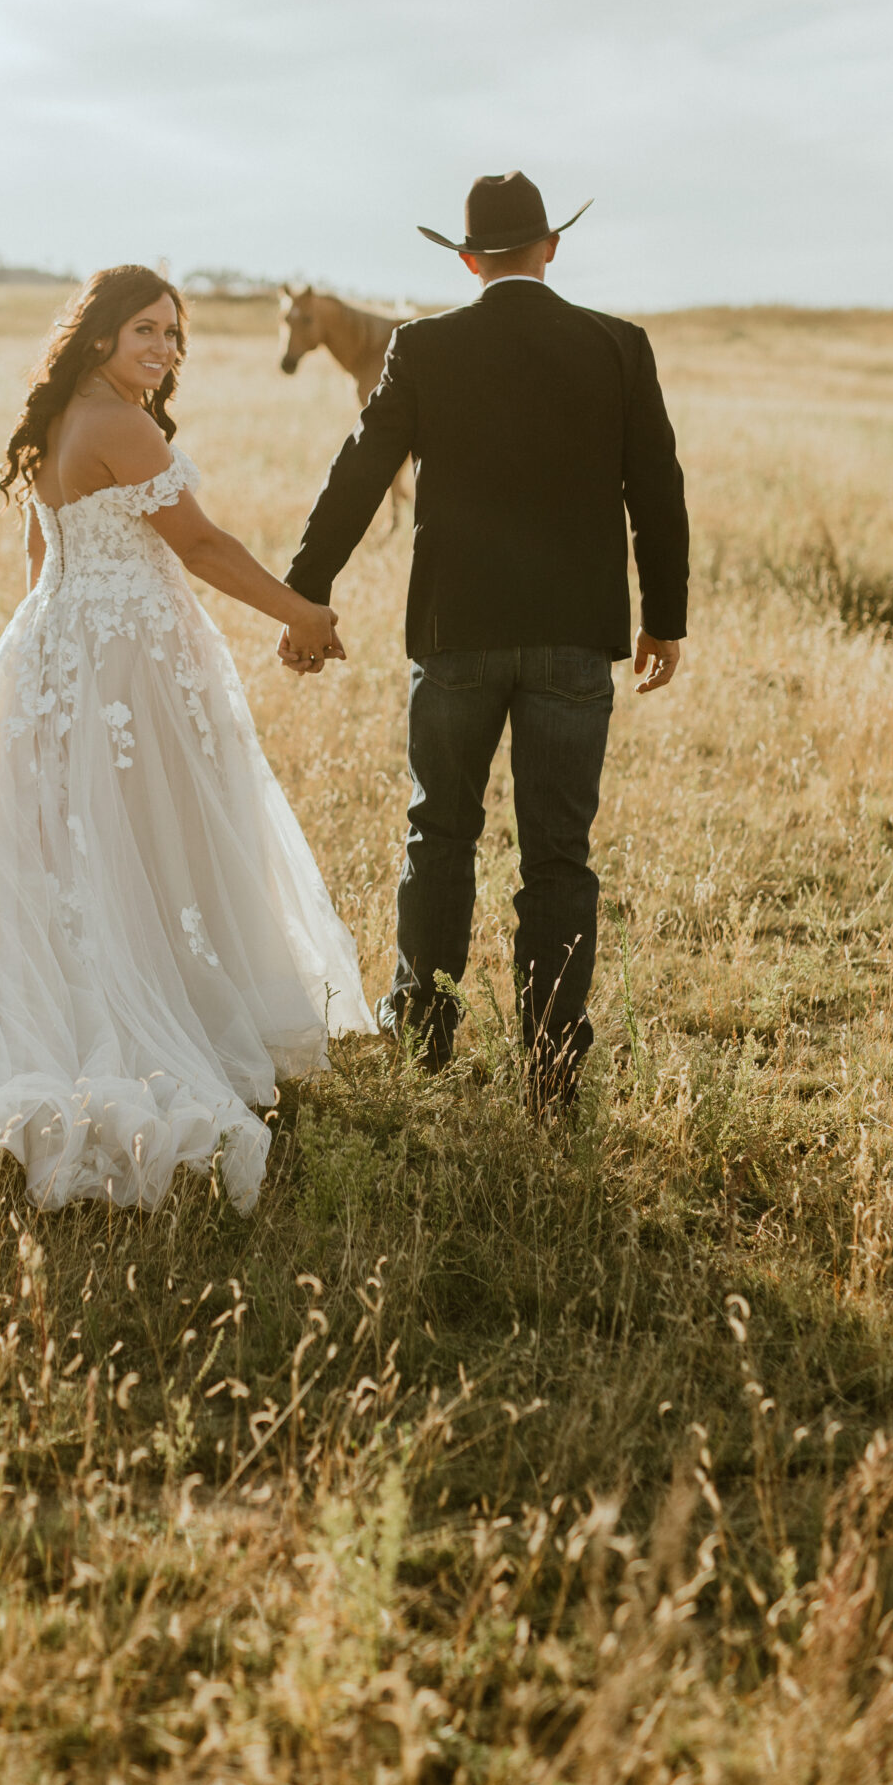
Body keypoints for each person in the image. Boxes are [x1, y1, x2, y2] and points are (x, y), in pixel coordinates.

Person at [0, 264, 367, 1213]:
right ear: (99, 335)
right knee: (144, 839)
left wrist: (49, 669)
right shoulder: (121, 424)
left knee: (71, 839)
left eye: (175, 336)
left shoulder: (58, 422)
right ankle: (148, 1017)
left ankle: (109, 991)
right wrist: (299, 611)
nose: (164, 349)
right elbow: (201, 546)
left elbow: (37, 562)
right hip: (123, 658)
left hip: (58, 648)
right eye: (146, 330)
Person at [281, 171, 688, 1112]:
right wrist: (662, 616)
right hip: (574, 639)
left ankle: (422, 1040)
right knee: (558, 857)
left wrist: (308, 591)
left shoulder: (424, 346)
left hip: (455, 632)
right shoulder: (617, 346)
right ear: (550, 249)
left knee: (439, 836)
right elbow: (656, 491)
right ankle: (550, 1069)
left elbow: (359, 470)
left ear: (466, 261)